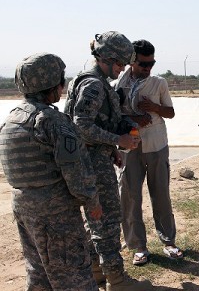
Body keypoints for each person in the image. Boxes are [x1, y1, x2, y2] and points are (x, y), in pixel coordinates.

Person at [0, 53, 103, 290]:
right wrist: (92, 201)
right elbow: (74, 170)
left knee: (39, 273)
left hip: (24, 209)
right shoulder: (52, 121)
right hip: (56, 215)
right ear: (53, 84)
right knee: (74, 275)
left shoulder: (12, 120)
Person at [64, 31, 152, 290]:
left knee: (95, 220)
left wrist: (114, 141)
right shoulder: (93, 84)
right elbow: (80, 126)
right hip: (93, 164)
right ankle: (117, 280)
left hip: (92, 158)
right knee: (108, 222)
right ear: (107, 58)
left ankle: (97, 273)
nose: (122, 69)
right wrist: (117, 140)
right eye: (120, 64)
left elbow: (98, 120)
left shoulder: (90, 80)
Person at [111, 39, 182, 265]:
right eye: (143, 64)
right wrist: (133, 118)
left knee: (160, 193)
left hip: (156, 145)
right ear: (132, 61)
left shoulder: (158, 83)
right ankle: (138, 246)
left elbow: (170, 112)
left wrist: (154, 108)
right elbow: (113, 117)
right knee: (130, 196)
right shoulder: (117, 85)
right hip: (130, 147)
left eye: (151, 63)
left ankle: (168, 241)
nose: (147, 68)